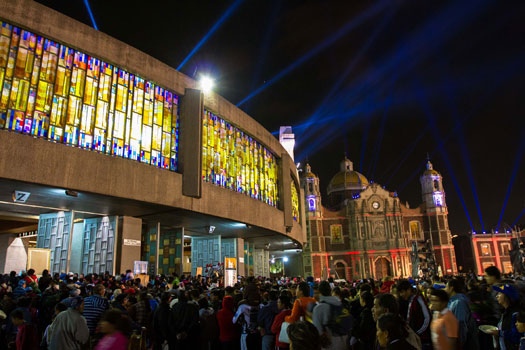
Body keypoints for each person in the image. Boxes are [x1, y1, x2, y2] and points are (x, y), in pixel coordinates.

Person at [312, 281, 348, 350]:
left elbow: (317, 331)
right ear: (330, 291)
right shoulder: (340, 304)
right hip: (343, 343)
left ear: (320, 292)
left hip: (330, 345)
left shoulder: (318, 308)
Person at [445, 278, 479, 350]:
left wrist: (458, 345)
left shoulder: (459, 302)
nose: (445, 289)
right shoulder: (453, 301)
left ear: (451, 288)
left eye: (446, 287)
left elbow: (460, 325)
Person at [397, 280, 431, 348]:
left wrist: (417, 333)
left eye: (402, 292)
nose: (401, 295)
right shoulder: (410, 300)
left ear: (409, 290)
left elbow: (427, 318)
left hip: (423, 339)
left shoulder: (418, 298)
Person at [490, 284, 522, 350]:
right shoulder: (505, 312)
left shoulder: (515, 314)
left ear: (507, 296)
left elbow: (516, 336)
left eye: (499, 293)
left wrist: (499, 333)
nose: (496, 296)